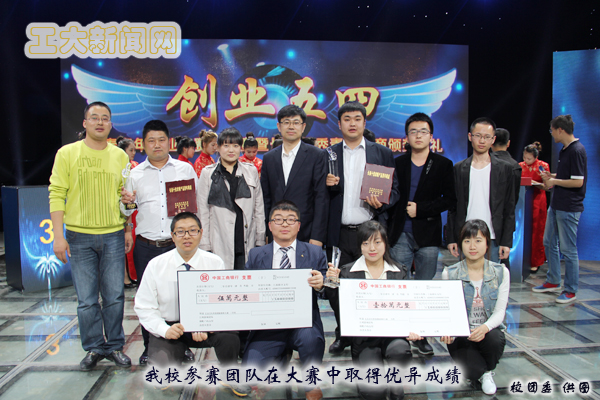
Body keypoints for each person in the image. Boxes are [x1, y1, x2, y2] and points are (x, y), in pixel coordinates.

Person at [49, 101, 132, 370]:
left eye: (105, 118)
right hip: (78, 237)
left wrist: (127, 227)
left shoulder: (120, 156)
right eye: (94, 117)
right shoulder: (67, 153)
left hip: (113, 234)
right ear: (85, 123)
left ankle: (115, 345)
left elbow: (125, 196)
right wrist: (58, 236)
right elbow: (56, 193)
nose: (100, 122)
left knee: (114, 296)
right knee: (86, 300)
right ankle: (94, 347)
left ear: (110, 124)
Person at [134, 212, 251, 397]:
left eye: (192, 231)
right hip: (172, 327)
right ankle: (177, 354)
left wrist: (207, 323)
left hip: (205, 326)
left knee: (229, 335)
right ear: (172, 236)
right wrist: (164, 330)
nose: (187, 236)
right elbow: (144, 306)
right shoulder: (156, 265)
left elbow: (221, 303)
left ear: (201, 233)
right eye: (180, 232)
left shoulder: (214, 262)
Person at [120, 119, 198, 365]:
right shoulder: (134, 174)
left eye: (161, 140)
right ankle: (149, 347)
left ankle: (184, 346)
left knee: (183, 297)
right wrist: (125, 204)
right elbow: (127, 210)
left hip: (179, 246)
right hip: (147, 245)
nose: (157, 145)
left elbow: (195, 205)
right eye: (151, 141)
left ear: (169, 142)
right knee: (149, 299)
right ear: (143, 144)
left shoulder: (185, 170)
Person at [326, 100, 399, 355]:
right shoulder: (329, 154)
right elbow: (319, 194)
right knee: (336, 288)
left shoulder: (382, 152)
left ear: (364, 122)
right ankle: (344, 334)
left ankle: (373, 334)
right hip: (338, 233)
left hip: (370, 234)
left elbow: (395, 191)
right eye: (347, 119)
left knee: (374, 285)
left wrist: (383, 202)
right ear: (339, 124)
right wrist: (325, 183)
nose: (352, 123)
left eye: (357, 119)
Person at [387, 112, 456, 355]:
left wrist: (422, 209)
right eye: (413, 131)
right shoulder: (397, 163)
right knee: (402, 287)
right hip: (400, 234)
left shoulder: (443, 164)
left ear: (431, 136)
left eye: (423, 131)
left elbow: (449, 199)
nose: (418, 136)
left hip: (428, 234)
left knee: (424, 288)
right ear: (406, 136)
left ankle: (422, 335)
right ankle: (403, 334)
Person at [243, 201, 326, 400]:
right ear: (270, 226)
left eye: (290, 220)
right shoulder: (256, 255)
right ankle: (281, 357)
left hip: (303, 322)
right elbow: (245, 288)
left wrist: (322, 284)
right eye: (279, 220)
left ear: (299, 225)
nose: (285, 224)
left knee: (311, 340)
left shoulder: (314, 252)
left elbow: (326, 290)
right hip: (268, 324)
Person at [325, 221, 415, 400]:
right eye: (365, 243)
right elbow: (340, 309)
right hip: (364, 338)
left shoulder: (399, 271)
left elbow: (410, 306)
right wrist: (332, 285)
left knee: (400, 351)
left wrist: (413, 328)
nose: (372, 248)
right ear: (360, 246)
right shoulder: (347, 272)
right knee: (373, 393)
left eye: (377, 242)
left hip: (393, 335)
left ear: (386, 243)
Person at [441, 219, 509, 396]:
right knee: (472, 372)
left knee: (495, 339)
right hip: (461, 335)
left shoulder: (500, 272)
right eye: (467, 241)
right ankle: (478, 370)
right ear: (461, 244)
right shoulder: (450, 273)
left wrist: (485, 328)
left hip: (487, 332)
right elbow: (447, 311)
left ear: (487, 244)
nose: (472, 246)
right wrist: (447, 330)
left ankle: (488, 373)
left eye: (478, 240)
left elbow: (500, 311)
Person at [533, 115, 587, 304]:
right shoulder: (565, 150)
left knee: (568, 249)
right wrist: (552, 176)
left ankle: (571, 290)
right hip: (557, 205)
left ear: (560, 130)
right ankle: (553, 280)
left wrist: (554, 181)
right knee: (549, 242)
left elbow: (578, 182)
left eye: (552, 130)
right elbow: (567, 175)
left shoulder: (577, 150)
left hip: (569, 207)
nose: (552, 134)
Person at [447, 117, 516, 264]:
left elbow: (509, 207)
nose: (482, 141)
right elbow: (453, 207)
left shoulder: (505, 169)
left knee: (491, 277)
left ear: (493, 139)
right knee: (467, 277)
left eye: (487, 137)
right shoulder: (459, 169)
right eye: (478, 136)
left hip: (493, 237)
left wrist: (506, 241)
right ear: (470, 137)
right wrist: (451, 238)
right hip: (466, 236)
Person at [198, 127, 265, 270]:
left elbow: (258, 208)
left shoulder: (251, 171)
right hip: (219, 240)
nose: (231, 150)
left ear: (240, 148)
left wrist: (260, 239)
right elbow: (203, 212)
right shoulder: (207, 174)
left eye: (235, 145)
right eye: (226, 145)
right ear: (218, 147)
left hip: (246, 238)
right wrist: (204, 244)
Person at [261, 104, 329, 246]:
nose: (291, 127)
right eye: (286, 122)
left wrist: (317, 236)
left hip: (306, 231)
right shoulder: (269, 158)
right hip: (276, 231)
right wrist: (267, 232)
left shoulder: (316, 155)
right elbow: (266, 199)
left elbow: (321, 197)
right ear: (279, 126)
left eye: (296, 122)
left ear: (303, 127)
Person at [519, 142, 550, 272]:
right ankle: (521, 259)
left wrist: (535, 183)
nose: (526, 160)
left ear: (536, 157)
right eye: (525, 157)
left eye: (529, 158)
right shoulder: (520, 166)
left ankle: (536, 261)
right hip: (523, 200)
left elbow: (547, 186)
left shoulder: (543, 166)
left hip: (538, 200)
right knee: (522, 230)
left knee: (537, 230)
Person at [117, 136, 138, 288]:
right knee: (123, 246)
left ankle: (133, 275)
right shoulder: (119, 169)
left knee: (132, 243)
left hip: (133, 211)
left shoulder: (135, 166)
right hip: (121, 213)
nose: (133, 153)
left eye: (134, 150)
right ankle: (125, 276)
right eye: (131, 150)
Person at [491, 128, 522, 207]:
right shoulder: (515, 165)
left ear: (491, 142)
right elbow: (514, 197)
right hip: (507, 211)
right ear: (508, 143)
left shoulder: (485, 163)